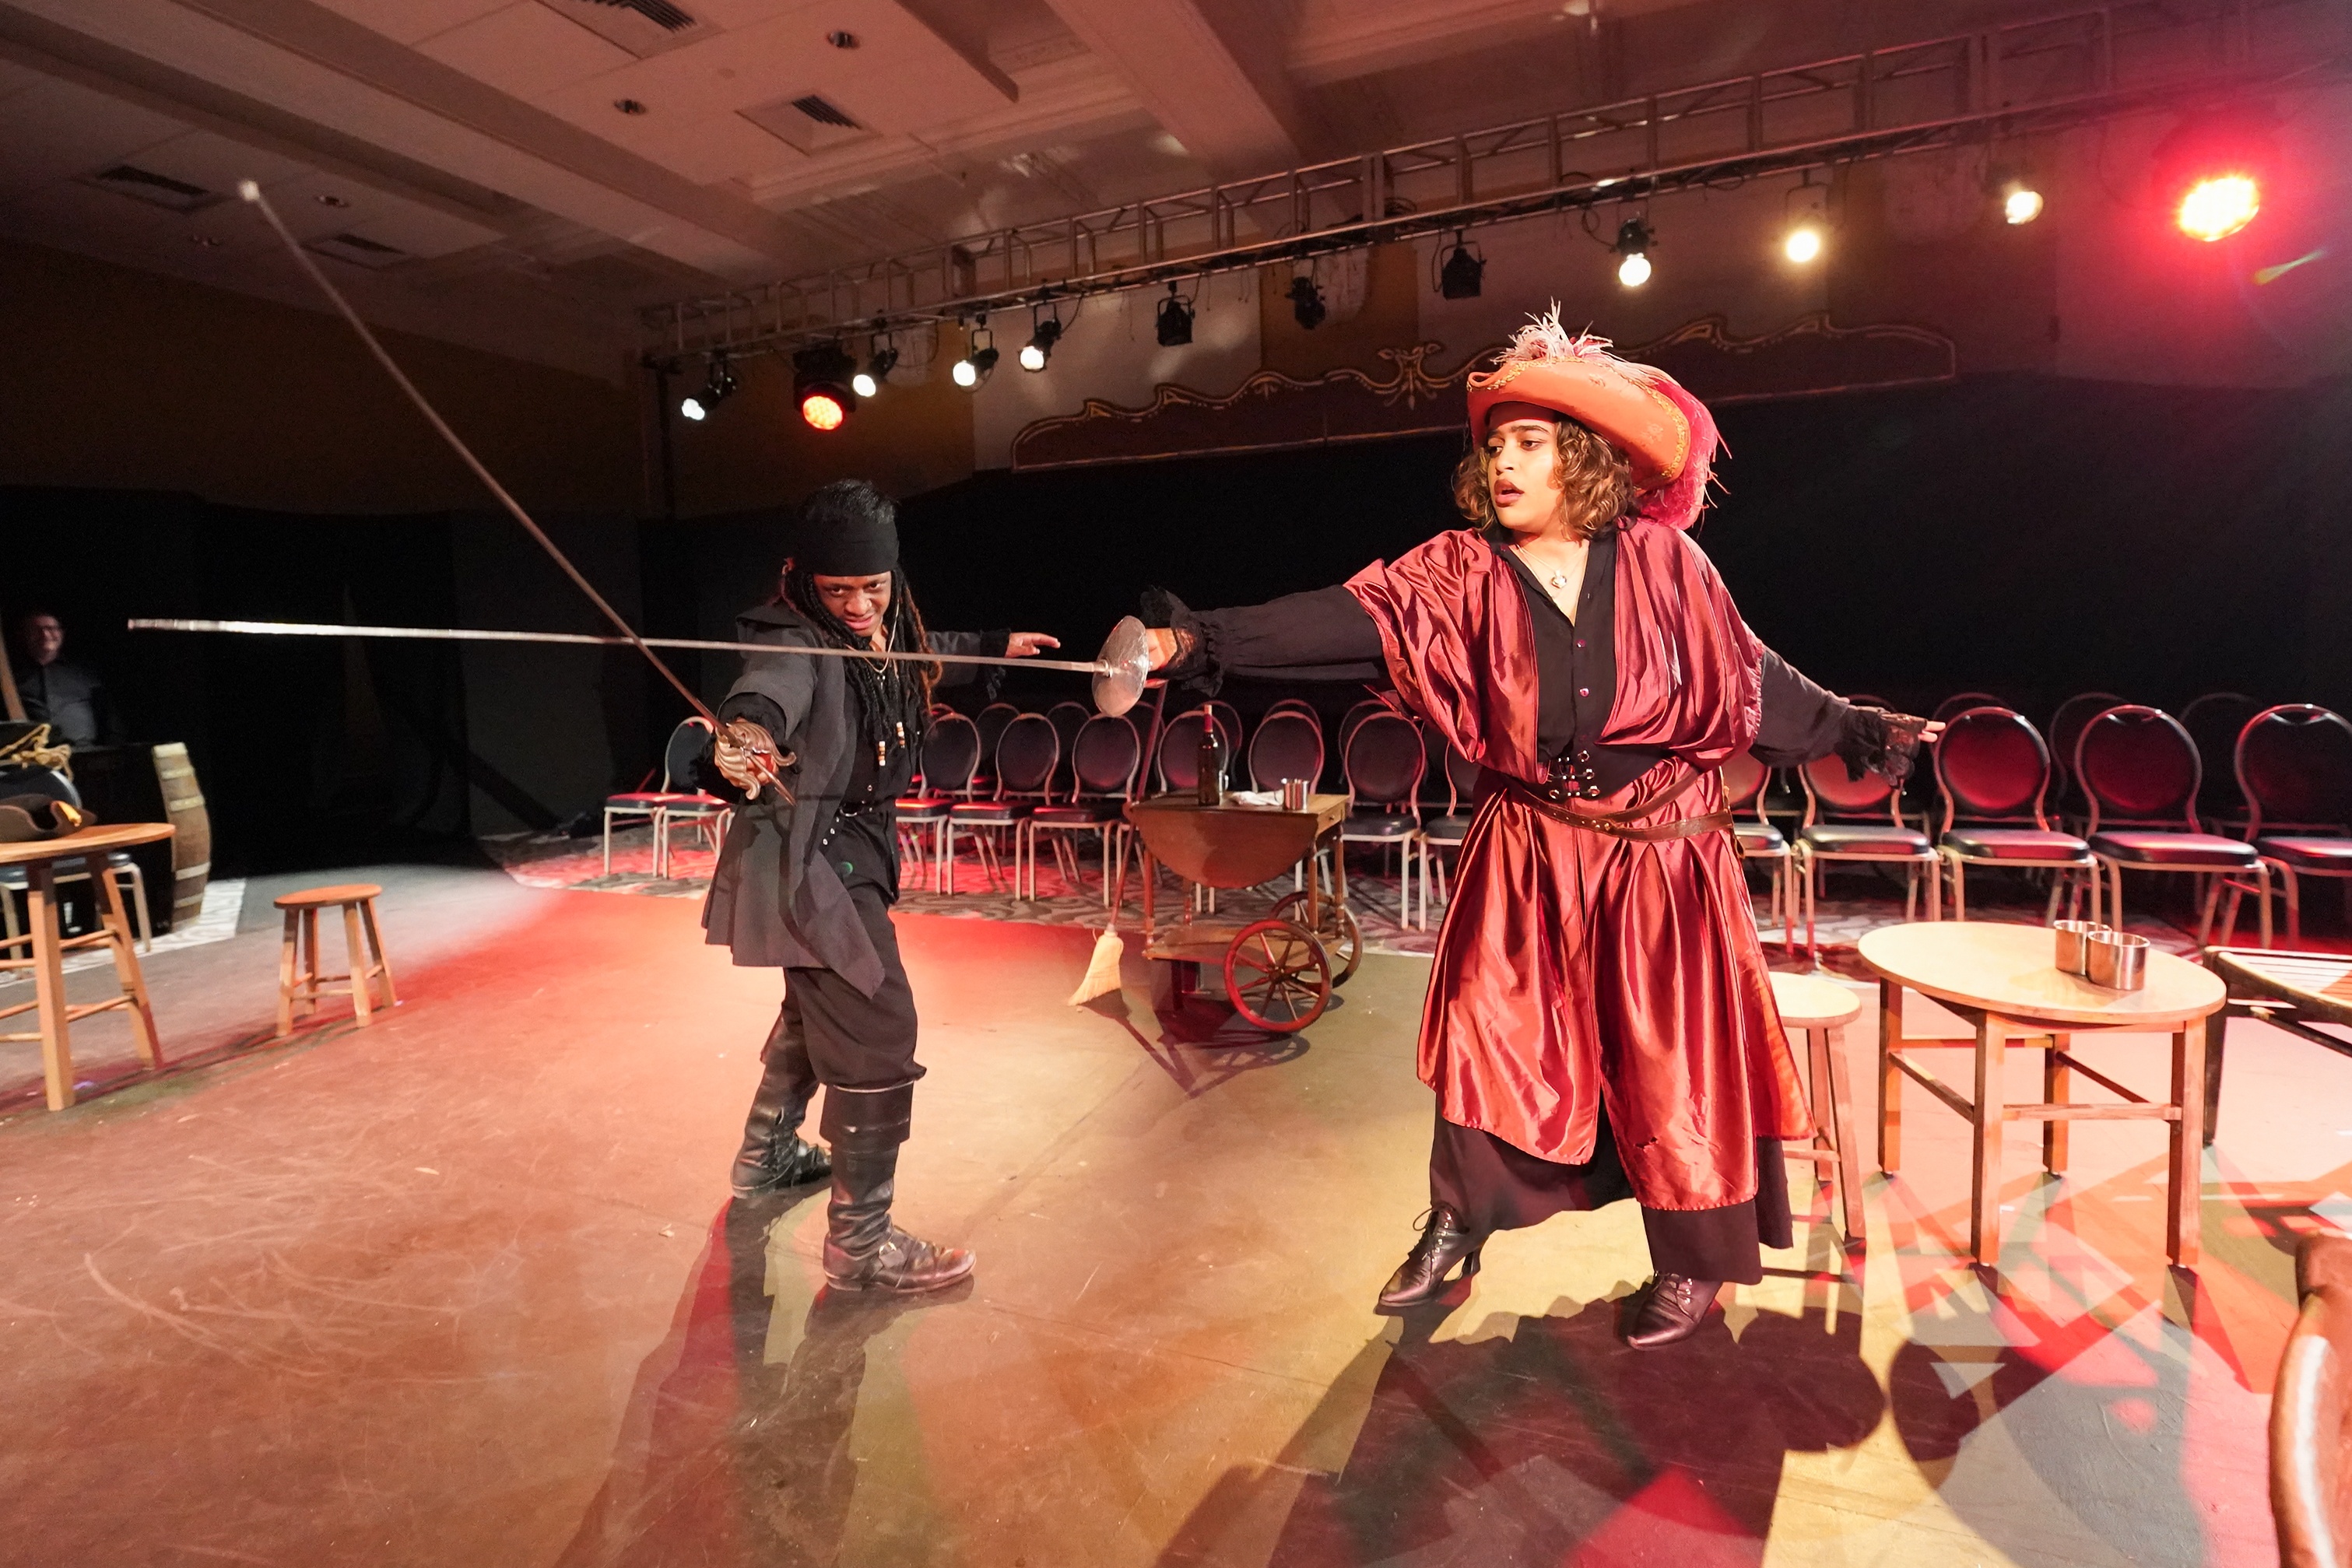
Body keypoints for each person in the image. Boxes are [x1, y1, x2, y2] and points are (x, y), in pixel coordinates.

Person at [1139, 310, 1933, 1348]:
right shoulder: (1457, 572)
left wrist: (1855, 729)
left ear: (1586, 458)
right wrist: (1194, 638)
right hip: (1527, 851)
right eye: (1496, 443)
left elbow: (1752, 680)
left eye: (1529, 442)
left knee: (1669, 1056)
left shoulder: (1666, 564)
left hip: (1658, 860)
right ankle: (1454, 1225)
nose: (1502, 461)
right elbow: (1347, 617)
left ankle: (1691, 1258)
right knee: (1488, 1030)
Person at [702, 479, 1061, 1294]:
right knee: (876, 1018)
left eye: (874, 586)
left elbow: (922, 648)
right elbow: (765, 693)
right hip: (809, 855)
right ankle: (860, 1243)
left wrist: (997, 643)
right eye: (839, 590)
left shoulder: (886, 622)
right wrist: (743, 743)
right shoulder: (794, 639)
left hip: (854, 844)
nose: (859, 605)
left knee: (817, 1003)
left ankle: (765, 1154)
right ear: (804, 581)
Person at [9, 611, 122, 747]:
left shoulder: (84, 672)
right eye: (36, 630)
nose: (45, 634)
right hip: (30, 756)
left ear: (62, 634)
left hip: (84, 753)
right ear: (23, 636)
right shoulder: (10, 678)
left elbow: (110, 720)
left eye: (51, 629)